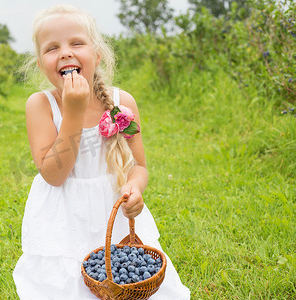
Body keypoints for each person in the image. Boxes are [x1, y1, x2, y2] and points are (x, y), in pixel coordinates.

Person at [13, 4, 191, 300]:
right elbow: (54, 175)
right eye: (52, 47)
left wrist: (134, 187)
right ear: (41, 62)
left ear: (96, 54)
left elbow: (140, 166)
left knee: (126, 278)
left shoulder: (123, 104)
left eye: (77, 43)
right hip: (64, 222)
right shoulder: (41, 105)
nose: (66, 52)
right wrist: (73, 112)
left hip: (114, 214)